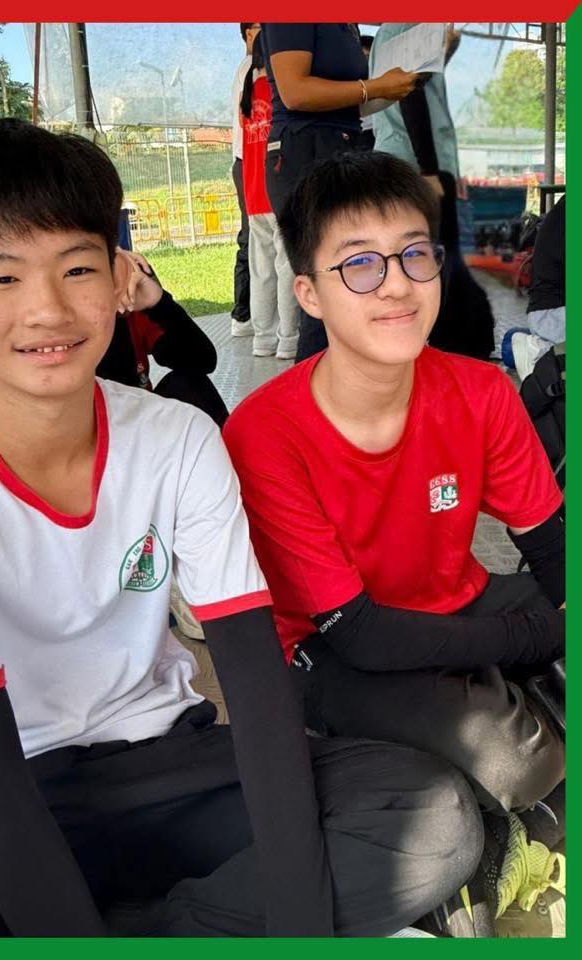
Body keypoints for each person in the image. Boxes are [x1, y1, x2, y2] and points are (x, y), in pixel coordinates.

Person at [0, 120, 482, 938]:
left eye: (77, 268)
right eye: (2, 277)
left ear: (118, 278)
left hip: (162, 760)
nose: (48, 309)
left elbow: (255, 680)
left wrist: (298, 925)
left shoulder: (178, 439)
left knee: (428, 817)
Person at [224, 152, 565, 825]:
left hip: (458, 600)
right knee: (514, 762)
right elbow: (363, 636)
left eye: (414, 254)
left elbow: (552, 549)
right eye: (360, 263)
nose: (397, 286)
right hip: (331, 647)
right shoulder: (264, 434)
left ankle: (504, 696)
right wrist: (534, 639)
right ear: (309, 294)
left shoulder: (482, 391)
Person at [261, 22, 419, 360]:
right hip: (306, 151)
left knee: (352, 282)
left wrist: (389, 89)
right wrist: (374, 86)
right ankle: (313, 385)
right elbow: (295, 92)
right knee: (329, 283)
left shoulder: (347, 24)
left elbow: (351, 103)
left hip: (343, 144)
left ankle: (349, 379)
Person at [370, 23, 495, 360]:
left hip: (411, 159)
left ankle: (450, 351)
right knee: (438, 263)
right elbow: (411, 94)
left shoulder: (394, 30)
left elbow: (420, 82)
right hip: (417, 164)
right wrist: (428, 170)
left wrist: (445, 50)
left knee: (432, 261)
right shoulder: (410, 23)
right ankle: (454, 354)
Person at [97, 248, 229, 428]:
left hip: (142, 422)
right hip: (93, 431)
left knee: (187, 383)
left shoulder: (131, 310)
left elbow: (203, 361)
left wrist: (159, 304)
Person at [240, 33, 299, 360]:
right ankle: (288, 338)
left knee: (262, 270)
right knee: (286, 267)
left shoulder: (247, 94)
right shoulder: (279, 91)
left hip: (253, 196)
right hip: (277, 192)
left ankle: (263, 338)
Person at [512, 194, 566, 380]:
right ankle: (541, 355)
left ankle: (544, 351)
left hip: (548, 314)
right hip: (552, 314)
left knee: (509, 341)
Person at [229, 22, 260, 338]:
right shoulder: (250, 67)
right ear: (249, 32)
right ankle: (243, 313)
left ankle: (250, 314)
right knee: (252, 239)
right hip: (249, 159)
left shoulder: (251, 67)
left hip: (250, 159)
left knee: (256, 239)